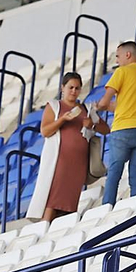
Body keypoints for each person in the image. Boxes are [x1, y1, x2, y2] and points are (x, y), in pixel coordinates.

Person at [28, 72, 108, 223]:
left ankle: (63, 228)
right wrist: (62, 119)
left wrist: (92, 124)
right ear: (62, 88)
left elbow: (105, 129)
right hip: (59, 160)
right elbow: (45, 131)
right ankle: (44, 227)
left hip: (79, 161)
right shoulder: (54, 106)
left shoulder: (86, 108)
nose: (73, 91)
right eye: (70, 87)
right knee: (54, 198)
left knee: (71, 200)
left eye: (77, 88)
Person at [93, 42, 136, 206]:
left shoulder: (122, 72)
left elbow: (105, 101)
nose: (117, 60)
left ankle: (107, 206)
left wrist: (98, 107)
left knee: (115, 172)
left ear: (128, 55)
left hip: (123, 129)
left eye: (118, 56)